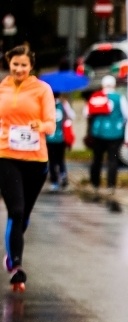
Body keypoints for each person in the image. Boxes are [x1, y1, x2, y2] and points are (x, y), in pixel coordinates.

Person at [0, 44, 56, 292]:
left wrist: (39, 126)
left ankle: (12, 251)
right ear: (9, 63)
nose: (19, 69)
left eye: (24, 65)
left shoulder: (42, 89)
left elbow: (51, 125)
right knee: (16, 210)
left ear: (31, 66)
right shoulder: (2, 88)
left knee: (23, 216)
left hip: (35, 160)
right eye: (15, 64)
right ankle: (16, 267)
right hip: (6, 155)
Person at [86, 74, 127, 194]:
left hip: (98, 133)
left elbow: (86, 113)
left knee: (97, 159)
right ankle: (111, 185)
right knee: (112, 160)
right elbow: (126, 115)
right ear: (114, 85)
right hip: (115, 134)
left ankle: (95, 184)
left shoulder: (96, 96)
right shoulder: (119, 98)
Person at [46, 92, 76, 191]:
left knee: (51, 161)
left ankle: (54, 181)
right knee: (60, 160)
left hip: (49, 138)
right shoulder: (64, 105)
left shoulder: (47, 105)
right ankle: (63, 177)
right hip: (61, 137)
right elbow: (72, 116)